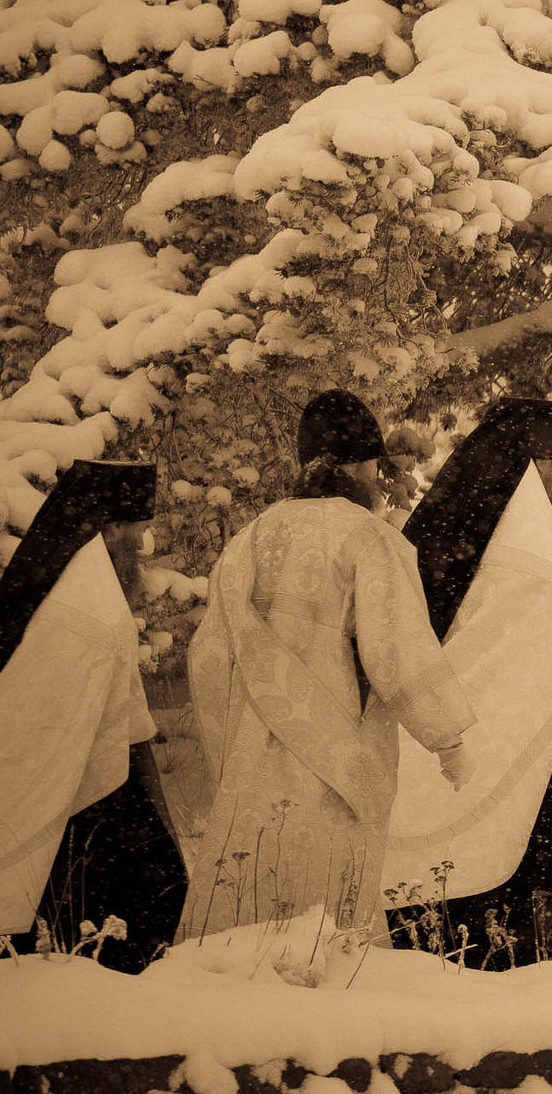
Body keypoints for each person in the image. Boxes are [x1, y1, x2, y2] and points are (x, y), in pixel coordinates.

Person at [177, 389, 477, 945]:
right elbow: (397, 647)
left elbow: (210, 656)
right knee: (326, 903)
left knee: (253, 891)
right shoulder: (368, 537)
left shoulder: (254, 535)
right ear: (362, 465)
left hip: (254, 751)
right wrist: (447, 739)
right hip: (336, 750)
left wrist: (237, 734)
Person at [381, 397, 552, 967]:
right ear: (529, 466)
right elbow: (531, 651)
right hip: (538, 744)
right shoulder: (526, 551)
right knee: (532, 879)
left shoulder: (464, 528)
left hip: (514, 739)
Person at [0, 460, 186, 970]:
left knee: (142, 881)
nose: (142, 547)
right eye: (137, 531)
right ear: (110, 528)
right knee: (142, 883)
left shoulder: (74, 576)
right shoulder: (87, 607)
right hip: (70, 778)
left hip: (86, 766)